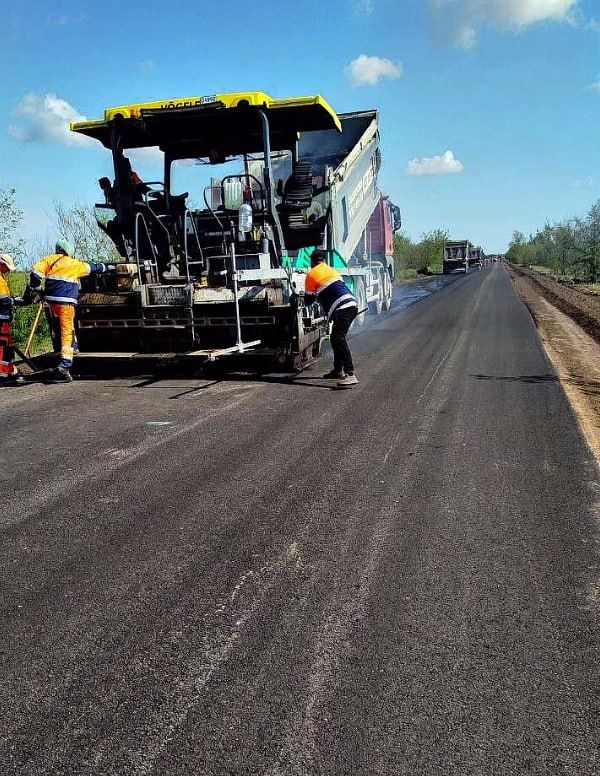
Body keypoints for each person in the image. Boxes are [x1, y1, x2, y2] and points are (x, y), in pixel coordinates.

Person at [25, 239, 115, 383]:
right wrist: (108, 267)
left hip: (51, 302)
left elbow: (35, 274)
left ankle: (75, 347)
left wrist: (36, 287)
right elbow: (93, 268)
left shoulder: (49, 260)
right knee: (67, 330)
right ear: (69, 251)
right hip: (66, 303)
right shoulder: (75, 264)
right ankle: (65, 366)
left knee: (60, 328)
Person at [304, 249, 359, 388]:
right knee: (335, 338)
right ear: (324, 261)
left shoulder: (311, 274)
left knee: (338, 338)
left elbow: (308, 300)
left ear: (312, 262)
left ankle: (350, 374)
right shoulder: (332, 271)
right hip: (351, 304)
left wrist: (302, 294)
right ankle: (337, 370)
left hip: (342, 308)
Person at [0, 253, 26, 387]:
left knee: (8, 347)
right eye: (7, 267)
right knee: (3, 347)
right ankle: (3, 374)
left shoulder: (2, 278)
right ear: (1, 264)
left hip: (4, 318)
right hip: (1, 319)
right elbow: (2, 299)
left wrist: (15, 300)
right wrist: (15, 301)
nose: (9, 271)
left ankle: (9, 370)